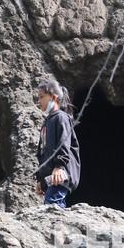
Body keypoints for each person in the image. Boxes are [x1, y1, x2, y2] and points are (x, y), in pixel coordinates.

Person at [34, 79, 81, 208]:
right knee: (52, 206)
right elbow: (43, 152)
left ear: (54, 97)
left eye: (42, 97)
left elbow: (63, 143)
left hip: (60, 174)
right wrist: (40, 180)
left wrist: (59, 166)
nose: (39, 101)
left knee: (52, 207)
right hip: (51, 177)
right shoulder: (47, 121)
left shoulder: (61, 117)